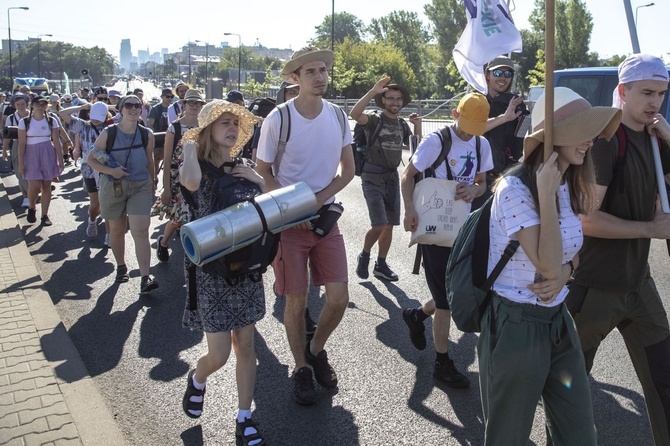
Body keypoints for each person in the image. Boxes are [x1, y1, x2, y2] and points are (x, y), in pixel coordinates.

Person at [476, 86, 621, 445]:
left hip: (558, 321)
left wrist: (568, 273)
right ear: (552, 136)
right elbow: (547, 262)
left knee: (580, 435)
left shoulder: (565, 183)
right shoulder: (514, 188)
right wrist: (543, 194)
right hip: (515, 325)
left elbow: (571, 255)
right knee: (507, 437)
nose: (590, 141)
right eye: (581, 131)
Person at [568, 54, 670, 446]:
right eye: (646, 92)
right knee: (569, 390)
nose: (655, 102)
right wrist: (650, 228)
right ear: (623, 91)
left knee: (665, 383)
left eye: (661, 94)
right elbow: (586, 220)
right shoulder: (606, 141)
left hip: (638, 286)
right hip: (594, 288)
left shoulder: (655, 138)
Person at [255, 46, 355, 405]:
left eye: (323, 70)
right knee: (295, 300)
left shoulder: (339, 117)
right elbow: (262, 172)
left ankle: (315, 348)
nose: (320, 76)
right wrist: (293, 206)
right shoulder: (278, 119)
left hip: (325, 219)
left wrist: (320, 198)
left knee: (339, 298)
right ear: (295, 79)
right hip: (289, 224)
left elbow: (349, 170)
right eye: (311, 71)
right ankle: (301, 368)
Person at [178, 100, 267, 446]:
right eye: (223, 123)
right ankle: (198, 378)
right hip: (211, 273)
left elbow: (274, 205)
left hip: (245, 269)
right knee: (219, 355)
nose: (231, 128)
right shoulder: (196, 166)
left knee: (246, 345)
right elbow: (189, 182)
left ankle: (245, 418)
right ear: (207, 132)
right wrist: (189, 144)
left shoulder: (243, 166)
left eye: (235, 123)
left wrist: (259, 180)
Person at [400, 93, 493, 388]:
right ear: (454, 113)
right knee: (445, 300)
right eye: (465, 124)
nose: (469, 131)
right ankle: (442, 362)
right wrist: (410, 209)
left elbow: (483, 183)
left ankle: (416, 315)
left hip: (464, 228)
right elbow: (408, 175)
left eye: (476, 126)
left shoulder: (481, 143)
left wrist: (474, 191)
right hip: (435, 225)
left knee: (456, 290)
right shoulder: (436, 142)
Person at [350, 76, 422, 282]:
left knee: (389, 224)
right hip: (372, 177)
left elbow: (417, 151)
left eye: (398, 99)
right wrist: (373, 90)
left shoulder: (401, 124)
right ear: (383, 101)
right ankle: (364, 254)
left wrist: (417, 125)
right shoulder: (374, 121)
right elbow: (354, 114)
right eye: (390, 98)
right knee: (379, 223)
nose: (395, 102)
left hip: (392, 178)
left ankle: (381, 264)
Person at [86, 95, 158, 294]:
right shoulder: (108, 133)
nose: (134, 108)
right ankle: (121, 266)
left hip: (140, 186)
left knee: (141, 230)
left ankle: (145, 277)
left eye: (137, 105)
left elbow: (150, 161)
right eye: (129, 105)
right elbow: (91, 159)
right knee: (117, 230)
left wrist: (152, 184)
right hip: (113, 186)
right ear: (120, 109)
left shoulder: (147, 134)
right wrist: (111, 172)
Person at [152, 89, 204, 262]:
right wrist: (166, 187)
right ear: (184, 104)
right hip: (178, 178)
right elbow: (167, 160)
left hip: (200, 176)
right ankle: (164, 241)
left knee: (197, 214)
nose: (195, 106)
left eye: (198, 103)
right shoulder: (174, 127)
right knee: (180, 217)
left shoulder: (205, 127)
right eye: (191, 102)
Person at [471, 55, 528, 209]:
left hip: (507, 178)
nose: (503, 77)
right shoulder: (476, 101)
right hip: (476, 179)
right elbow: (470, 129)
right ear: (487, 75)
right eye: (497, 73)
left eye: (507, 74)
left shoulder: (516, 104)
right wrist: (504, 118)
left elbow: (521, 140)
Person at [59, 101, 112, 242]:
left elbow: (123, 111)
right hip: (89, 168)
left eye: (100, 116)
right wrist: (82, 107)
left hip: (106, 168)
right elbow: (63, 113)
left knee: (106, 201)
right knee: (95, 203)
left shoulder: (110, 127)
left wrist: (109, 107)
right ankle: (93, 219)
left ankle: (109, 234)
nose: (96, 119)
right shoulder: (83, 125)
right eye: (94, 115)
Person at [17, 95, 65, 226]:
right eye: (38, 104)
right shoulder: (25, 122)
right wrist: (21, 163)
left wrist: (61, 159)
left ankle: (44, 215)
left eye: (43, 104)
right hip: (31, 154)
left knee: (46, 186)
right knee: (34, 186)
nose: (40, 106)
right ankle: (32, 207)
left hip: (47, 153)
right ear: (32, 105)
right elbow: (21, 144)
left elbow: (56, 140)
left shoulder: (51, 120)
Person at [2, 94, 31, 208]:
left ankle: (32, 192)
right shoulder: (11, 118)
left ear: (27, 104)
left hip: (32, 144)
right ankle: (26, 196)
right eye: (18, 104)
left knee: (32, 169)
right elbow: (7, 136)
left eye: (23, 104)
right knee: (20, 171)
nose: (20, 106)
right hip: (17, 144)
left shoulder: (33, 115)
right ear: (14, 105)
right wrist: (4, 150)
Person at [147, 88, 173, 183]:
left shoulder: (173, 108)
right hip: (158, 140)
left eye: (171, 97)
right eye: (167, 96)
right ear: (162, 97)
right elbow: (150, 125)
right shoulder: (156, 109)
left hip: (171, 139)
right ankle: (154, 180)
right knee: (156, 163)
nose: (169, 99)